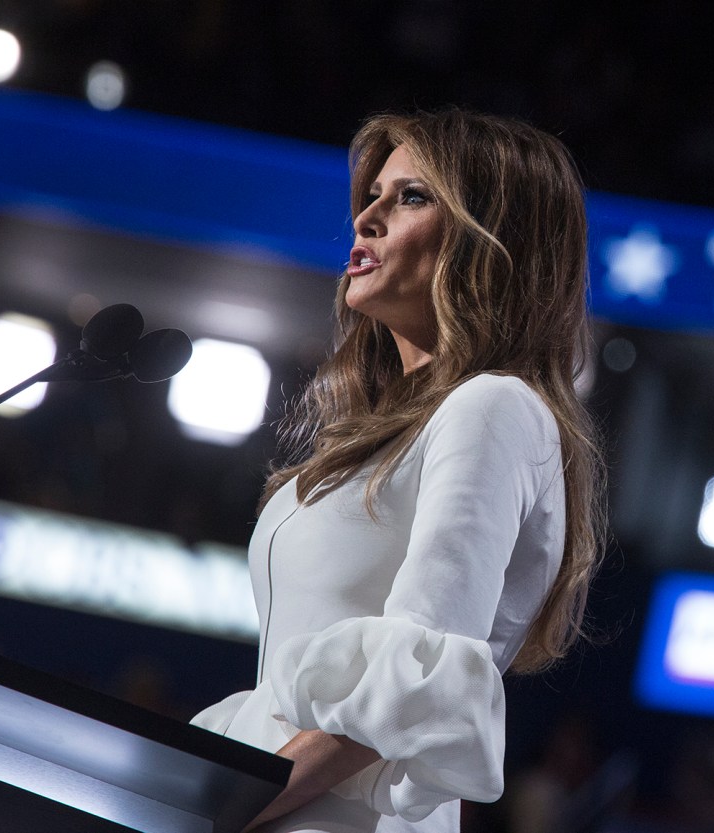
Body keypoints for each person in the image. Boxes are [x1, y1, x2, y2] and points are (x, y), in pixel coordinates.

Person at [191, 109, 605, 833]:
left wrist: (233, 810)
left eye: (412, 196)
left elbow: (411, 692)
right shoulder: (395, 425)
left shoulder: (495, 408)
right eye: (373, 193)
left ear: (493, 239)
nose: (368, 215)